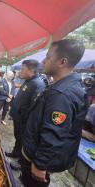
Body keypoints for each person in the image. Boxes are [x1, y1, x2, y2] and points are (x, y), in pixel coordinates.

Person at [21, 39, 86, 187]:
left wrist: (40, 165)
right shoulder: (60, 86)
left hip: (37, 162)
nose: (43, 61)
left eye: (48, 57)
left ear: (62, 62)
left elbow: (54, 133)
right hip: (33, 153)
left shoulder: (62, 94)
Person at [6, 60, 45, 169]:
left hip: (24, 120)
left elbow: (34, 106)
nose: (20, 71)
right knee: (18, 137)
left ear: (32, 70)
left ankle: (20, 162)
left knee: (23, 140)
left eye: (23, 69)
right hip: (18, 117)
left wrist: (23, 116)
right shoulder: (28, 81)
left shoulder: (38, 84)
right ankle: (15, 152)